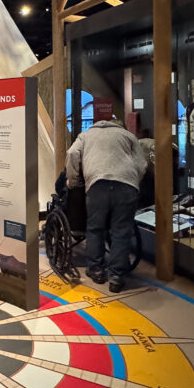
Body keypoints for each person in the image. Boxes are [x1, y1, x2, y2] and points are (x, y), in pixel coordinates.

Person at [65, 115, 147, 291]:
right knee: (122, 231)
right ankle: (117, 276)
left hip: (97, 184)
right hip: (126, 186)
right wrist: (133, 181)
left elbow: (72, 153)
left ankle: (96, 270)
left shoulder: (85, 135)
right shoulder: (127, 136)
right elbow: (142, 164)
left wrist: (72, 182)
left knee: (95, 228)